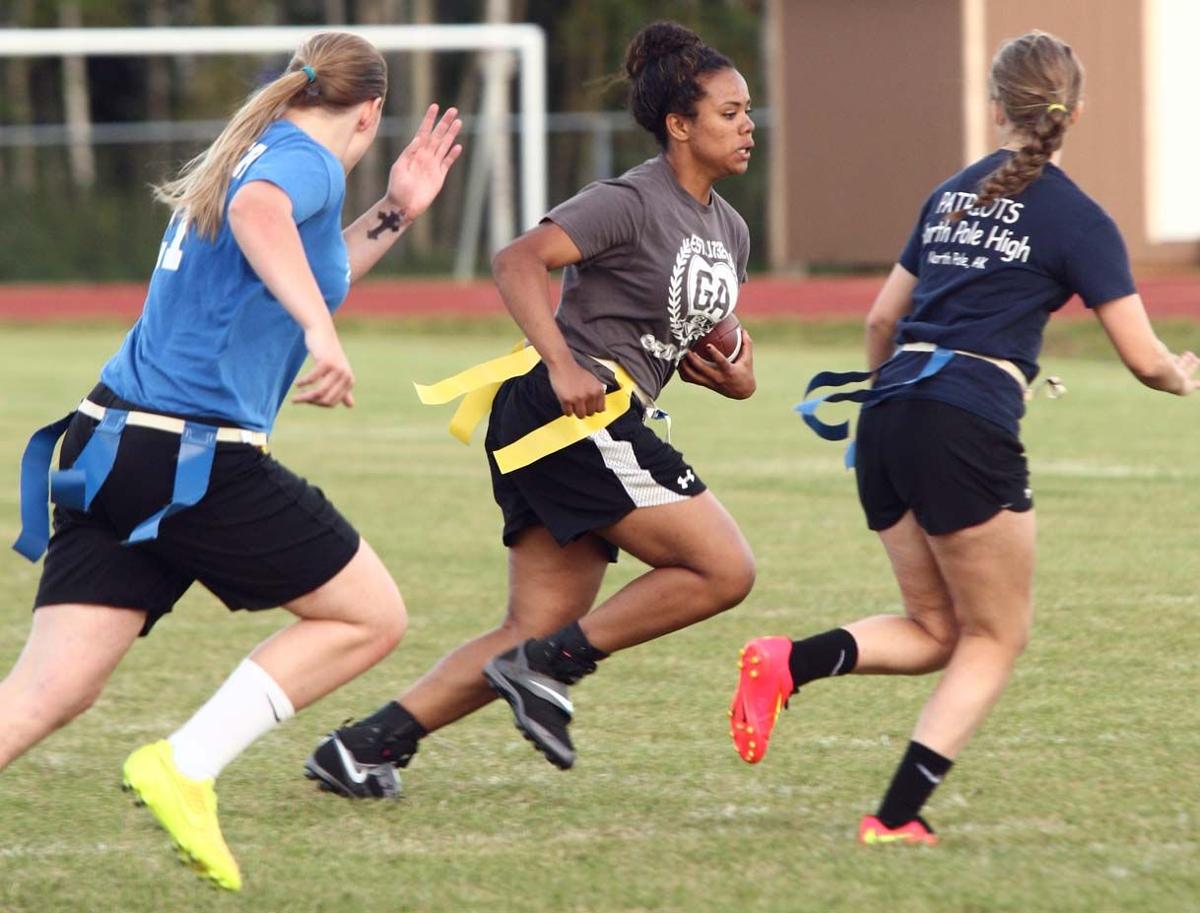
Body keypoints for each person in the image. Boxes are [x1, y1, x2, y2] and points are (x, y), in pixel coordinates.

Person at [1, 32, 462, 890]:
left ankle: (182, 765)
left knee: (43, 694)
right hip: (186, 454)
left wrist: (397, 210)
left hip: (112, 445)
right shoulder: (304, 165)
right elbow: (261, 221)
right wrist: (324, 338)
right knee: (368, 615)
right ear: (369, 113)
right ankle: (186, 763)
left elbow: (299, 269)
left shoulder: (256, 149)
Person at [729, 30, 1198, 846]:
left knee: (936, 630)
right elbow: (1142, 358)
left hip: (889, 413)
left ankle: (787, 661)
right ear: (1074, 113)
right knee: (996, 634)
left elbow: (881, 318)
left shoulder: (949, 193)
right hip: (963, 420)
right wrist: (1183, 374)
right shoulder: (1079, 217)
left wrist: (883, 408)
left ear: (994, 108)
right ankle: (896, 815)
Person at [304, 20, 758, 797]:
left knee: (534, 627)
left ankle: (362, 747)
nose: (749, 125)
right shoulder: (630, 200)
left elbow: (715, 339)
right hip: (569, 412)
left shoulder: (731, 230)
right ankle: (548, 667)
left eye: (749, 110)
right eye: (730, 112)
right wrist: (560, 360)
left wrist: (738, 377)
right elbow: (516, 259)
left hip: (589, 420)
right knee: (724, 569)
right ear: (679, 125)